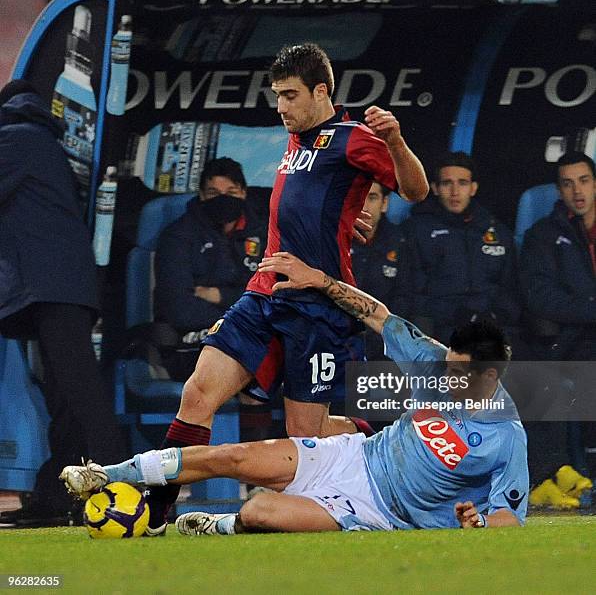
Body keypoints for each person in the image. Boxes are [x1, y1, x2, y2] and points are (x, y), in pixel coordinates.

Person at [140, 43, 429, 534]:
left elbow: (416, 191)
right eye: (277, 95)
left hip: (317, 308)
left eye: (291, 95)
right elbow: (305, 203)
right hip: (264, 293)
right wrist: (339, 221)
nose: (281, 107)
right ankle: (153, 514)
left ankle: (376, 443)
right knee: (197, 393)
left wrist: (397, 143)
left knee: (304, 440)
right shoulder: (296, 137)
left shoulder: (353, 137)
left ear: (321, 91)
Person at [61, 251, 529, 532]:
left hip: (374, 509)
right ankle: (105, 474)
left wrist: (481, 523)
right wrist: (320, 280)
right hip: (352, 457)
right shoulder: (434, 359)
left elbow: (512, 514)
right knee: (234, 457)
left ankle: (220, 527)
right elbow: (376, 313)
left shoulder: (506, 437)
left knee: (260, 511)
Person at [0, 79, 125, 527]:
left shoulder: (17, 140)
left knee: (80, 395)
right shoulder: (41, 140)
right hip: (58, 288)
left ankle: (125, 489)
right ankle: (57, 497)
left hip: (51, 288)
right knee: (65, 397)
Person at [520, 151, 596, 497]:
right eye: (567, 183)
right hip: (571, 343)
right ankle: (557, 471)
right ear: (558, 191)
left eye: (583, 180)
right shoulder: (543, 235)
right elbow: (542, 299)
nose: (577, 191)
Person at [153, 157, 268, 381]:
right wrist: (243, 318)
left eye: (231, 192)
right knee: (248, 370)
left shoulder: (265, 234)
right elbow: (180, 308)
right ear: (202, 195)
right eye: (214, 193)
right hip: (196, 340)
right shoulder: (178, 236)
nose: (223, 199)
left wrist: (218, 294)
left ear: (244, 193)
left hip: (256, 335)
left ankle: (352, 413)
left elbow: (274, 295)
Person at [399, 152, 520, 345]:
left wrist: (498, 316)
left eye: (462, 183)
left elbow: (511, 288)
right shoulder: (416, 230)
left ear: (473, 188)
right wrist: (456, 314)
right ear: (435, 188)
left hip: (494, 328)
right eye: (447, 183)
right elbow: (411, 293)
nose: (455, 191)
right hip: (442, 330)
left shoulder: (497, 231)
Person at [351, 182, 410, 360]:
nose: (364, 206)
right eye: (359, 198)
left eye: (372, 197)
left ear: (384, 204)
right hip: (341, 340)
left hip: (385, 341)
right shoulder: (333, 239)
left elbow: (405, 296)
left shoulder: (401, 242)